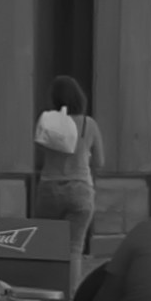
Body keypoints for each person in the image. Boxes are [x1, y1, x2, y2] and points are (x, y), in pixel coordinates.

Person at [32, 75, 101, 231]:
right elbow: (99, 161)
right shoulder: (89, 124)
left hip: (49, 187)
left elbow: (39, 150)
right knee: (74, 247)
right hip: (80, 187)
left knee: (46, 242)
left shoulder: (47, 122)